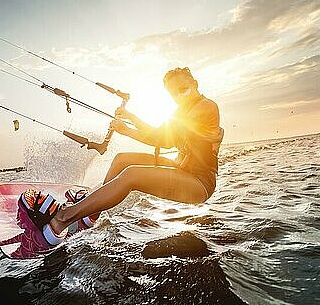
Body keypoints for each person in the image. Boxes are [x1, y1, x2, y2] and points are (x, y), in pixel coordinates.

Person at [21, 67, 224, 247]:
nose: (179, 95)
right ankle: (90, 214)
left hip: (199, 182)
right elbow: (164, 133)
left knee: (131, 175)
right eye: (173, 93)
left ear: (195, 84)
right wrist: (130, 118)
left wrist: (127, 129)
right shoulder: (182, 110)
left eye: (183, 89)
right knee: (122, 159)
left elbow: (163, 139)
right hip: (180, 168)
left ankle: (62, 219)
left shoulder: (206, 107)